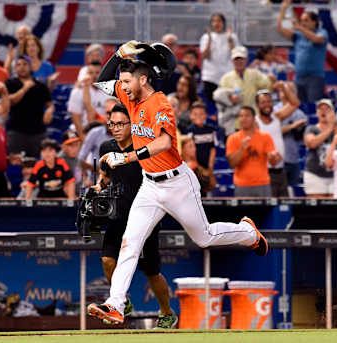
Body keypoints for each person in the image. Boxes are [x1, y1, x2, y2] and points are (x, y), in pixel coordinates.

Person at [87, 41, 268, 325]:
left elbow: (164, 142)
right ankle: (115, 304)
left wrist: (128, 158)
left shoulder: (160, 103)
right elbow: (101, 84)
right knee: (129, 244)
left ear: (143, 79)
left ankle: (247, 232)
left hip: (177, 184)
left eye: (126, 80)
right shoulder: (130, 93)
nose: (121, 86)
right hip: (150, 186)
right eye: (121, 81)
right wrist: (120, 53)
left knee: (204, 237)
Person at [93, 103, 175, 328]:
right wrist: (98, 187)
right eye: (112, 123)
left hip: (144, 218)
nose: (115, 128)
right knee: (108, 261)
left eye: (121, 123)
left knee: (152, 272)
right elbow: (105, 176)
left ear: (132, 124)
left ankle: (167, 312)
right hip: (118, 216)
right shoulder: (105, 147)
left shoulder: (145, 148)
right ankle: (122, 302)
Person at [255, 83, 301, 197]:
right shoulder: (255, 123)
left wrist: (284, 88)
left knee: (283, 206)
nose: (267, 105)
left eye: (269, 101)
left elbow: (295, 103)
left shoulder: (277, 117)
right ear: (257, 105)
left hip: (281, 170)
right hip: (264, 172)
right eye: (263, 102)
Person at [277, 0, 328, 102]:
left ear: (314, 22)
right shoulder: (298, 35)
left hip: (314, 78)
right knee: (299, 106)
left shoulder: (322, 32)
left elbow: (317, 39)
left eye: (306, 20)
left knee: (313, 106)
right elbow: (280, 28)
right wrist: (283, 9)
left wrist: (300, 28)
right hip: (298, 77)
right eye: (301, 20)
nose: (303, 23)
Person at [226, 106, 282, 197]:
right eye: (241, 116)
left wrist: (275, 157)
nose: (243, 119)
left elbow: (273, 163)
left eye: (247, 116)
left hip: (262, 183)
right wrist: (242, 149)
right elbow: (232, 164)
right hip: (242, 185)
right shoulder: (232, 138)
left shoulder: (265, 137)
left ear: (254, 118)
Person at [5, 55, 54, 158]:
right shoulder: (10, 83)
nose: (22, 67)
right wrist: (24, 88)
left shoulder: (41, 85)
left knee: (38, 166)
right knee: (15, 166)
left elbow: (50, 104)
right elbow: (10, 101)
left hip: (38, 133)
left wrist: (49, 111)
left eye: (25, 64)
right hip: (16, 132)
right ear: (15, 68)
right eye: (18, 65)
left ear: (31, 67)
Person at [200, 13, 239, 103]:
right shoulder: (206, 37)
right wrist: (210, 40)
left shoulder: (232, 36)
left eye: (219, 21)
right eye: (214, 21)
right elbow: (204, 56)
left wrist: (229, 40)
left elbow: (236, 55)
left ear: (224, 23)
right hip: (210, 77)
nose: (216, 23)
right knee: (211, 104)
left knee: (227, 104)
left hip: (228, 76)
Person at [303, 99, 337, 197]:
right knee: (316, 209)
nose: (323, 111)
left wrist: (334, 126)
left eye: (327, 109)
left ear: (332, 112)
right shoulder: (311, 128)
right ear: (317, 112)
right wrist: (330, 128)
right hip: (314, 174)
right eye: (320, 109)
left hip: (335, 174)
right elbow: (312, 143)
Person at [219, 46, 272, 111]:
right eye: (236, 59)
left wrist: (271, 79)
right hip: (234, 117)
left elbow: (268, 86)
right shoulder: (225, 79)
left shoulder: (255, 74)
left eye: (242, 59)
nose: (239, 61)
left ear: (247, 59)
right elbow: (220, 99)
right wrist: (230, 99)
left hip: (253, 116)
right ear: (232, 60)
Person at [78, 98, 116, 187]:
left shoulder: (127, 133)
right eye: (108, 113)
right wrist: (85, 179)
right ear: (104, 114)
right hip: (96, 182)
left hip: (119, 183)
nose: (111, 116)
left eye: (114, 112)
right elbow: (80, 159)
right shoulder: (94, 133)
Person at [68, 61, 111, 138]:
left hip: (104, 131)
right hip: (81, 131)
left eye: (97, 73)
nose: (94, 76)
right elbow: (76, 118)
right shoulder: (77, 92)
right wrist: (83, 137)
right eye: (90, 73)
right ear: (86, 74)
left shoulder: (110, 91)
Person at [277, 83, 307, 188]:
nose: (286, 94)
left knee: (294, 194)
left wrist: (299, 129)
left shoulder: (300, 114)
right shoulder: (274, 110)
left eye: (290, 91)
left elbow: (301, 139)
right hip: (278, 161)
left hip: (294, 158)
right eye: (283, 91)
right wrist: (292, 126)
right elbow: (272, 132)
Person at [185, 102, 216, 171]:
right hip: (195, 166)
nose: (198, 116)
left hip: (208, 165)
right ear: (190, 116)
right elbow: (190, 150)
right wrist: (197, 166)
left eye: (201, 114)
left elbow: (212, 149)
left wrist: (210, 166)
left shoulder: (211, 130)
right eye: (195, 114)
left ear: (206, 115)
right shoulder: (189, 130)